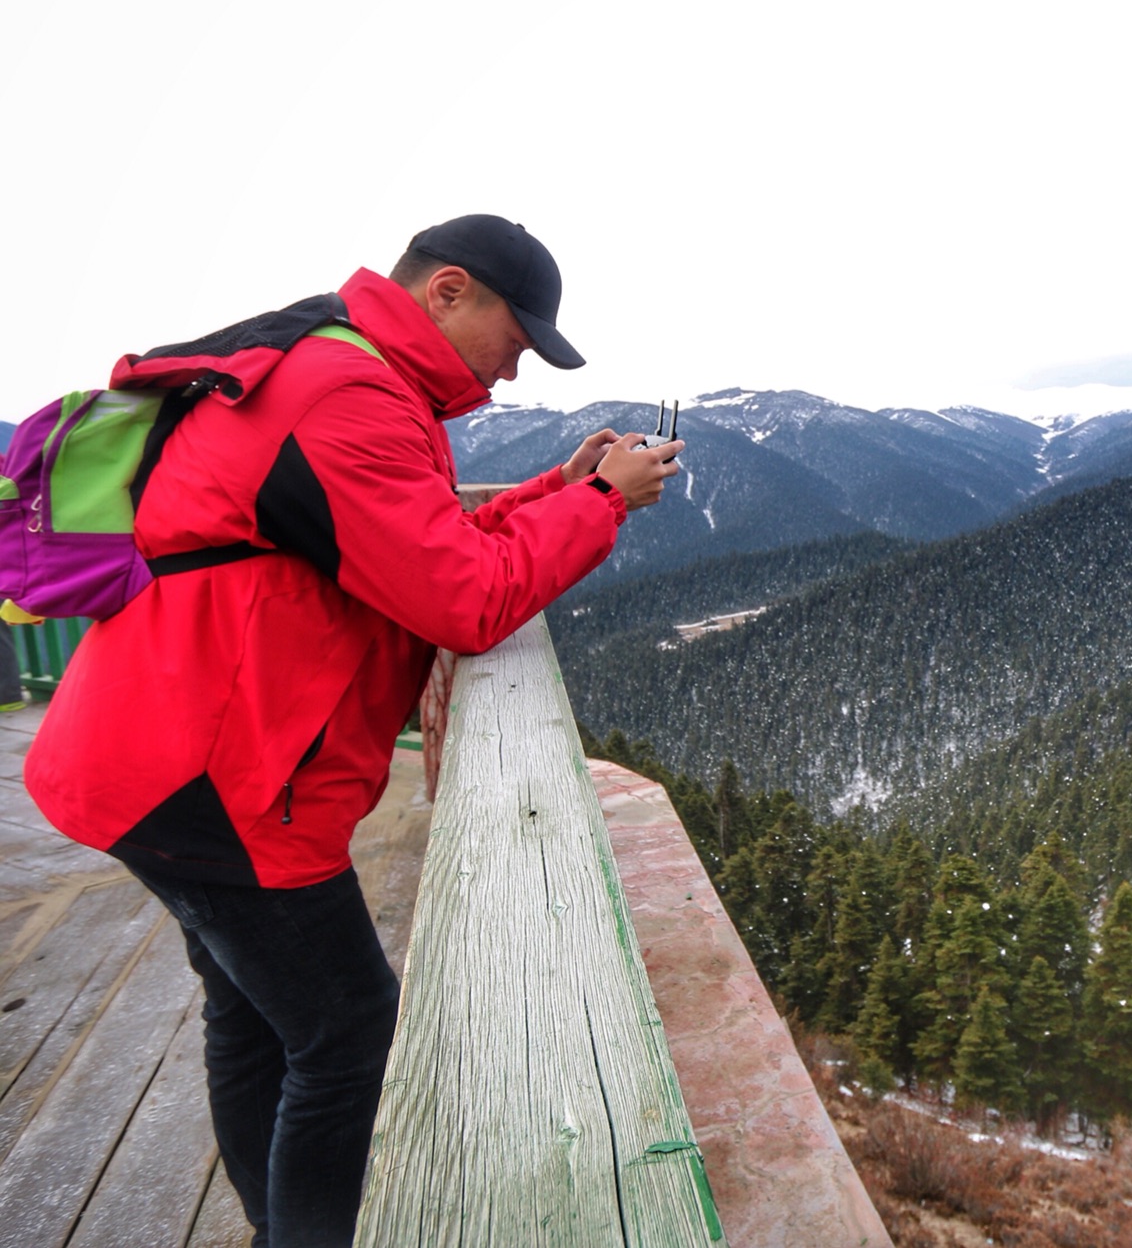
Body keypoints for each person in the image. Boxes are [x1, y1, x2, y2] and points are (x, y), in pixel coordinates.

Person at [23, 215, 683, 1248]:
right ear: (449, 290)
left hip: (159, 755)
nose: (511, 376)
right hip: (218, 778)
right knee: (347, 1035)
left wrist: (558, 488)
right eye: (516, 342)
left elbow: (416, 545)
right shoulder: (349, 395)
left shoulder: (340, 369)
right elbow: (465, 600)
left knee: (256, 1018)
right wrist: (602, 503)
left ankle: (270, 1221)